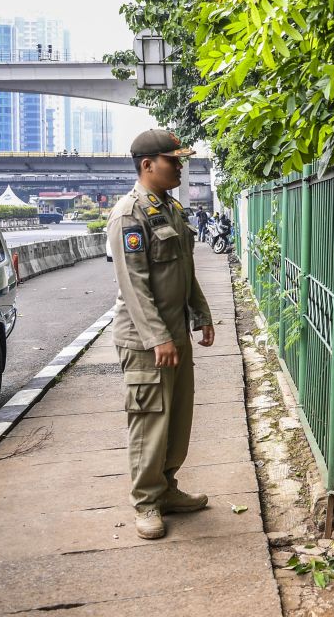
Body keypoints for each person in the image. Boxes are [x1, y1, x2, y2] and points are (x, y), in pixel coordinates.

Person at [107, 128, 215, 540]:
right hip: (145, 341)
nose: (181, 166)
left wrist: (201, 314)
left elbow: (184, 271)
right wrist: (158, 338)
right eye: (174, 160)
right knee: (150, 420)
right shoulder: (128, 215)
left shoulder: (170, 209)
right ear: (147, 165)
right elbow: (135, 286)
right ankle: (147, 501)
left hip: (174, 334)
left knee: (178, 418)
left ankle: (167, 488)